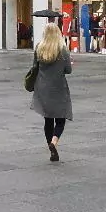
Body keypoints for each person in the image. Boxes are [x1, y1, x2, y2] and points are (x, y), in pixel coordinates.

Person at [31, 23, 73, 162]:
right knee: (60, 119)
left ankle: (50, 146)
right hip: (59, 87)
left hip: (43, 88)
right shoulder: (62, 49)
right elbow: (68, 70)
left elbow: (34, 67)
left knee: (48, 119)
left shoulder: (39, 48)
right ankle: (54, 142)